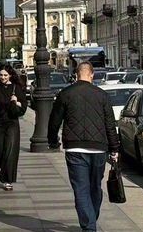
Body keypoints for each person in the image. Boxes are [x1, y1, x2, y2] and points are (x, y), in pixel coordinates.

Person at [48, 61, 119, 232]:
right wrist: (114, 148)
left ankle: (89, 224)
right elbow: (110, 124)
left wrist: (53, 141)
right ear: (92, 75)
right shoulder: (102, 95)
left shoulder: (65, 94)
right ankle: (90, 223)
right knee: (95, 188)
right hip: (99, 149)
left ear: (76, 74)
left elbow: (54, 121)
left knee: (81, 190)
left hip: (75, 149)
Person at [0, 64, 27, 190]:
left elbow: (23, 106)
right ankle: (1, 168)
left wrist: (16, 102)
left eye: (5, 75)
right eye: (1, 75)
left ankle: (8, 180)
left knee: (10, 150)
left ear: (10, 75)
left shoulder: (16, 88)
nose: (3, 77)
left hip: (12, 122)